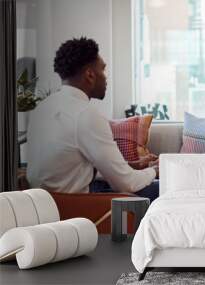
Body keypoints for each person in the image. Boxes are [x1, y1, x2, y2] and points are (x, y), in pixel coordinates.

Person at [27, 37, 159, 201]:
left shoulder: (44, 107)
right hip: (76, 211)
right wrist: (155, 170)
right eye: (102, 70)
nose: (105, 77)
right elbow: (126, 184)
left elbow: (71, 167)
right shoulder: (86, 114)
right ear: (90, 74)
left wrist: (132, 165)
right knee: (162, 189)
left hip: (43, 206)